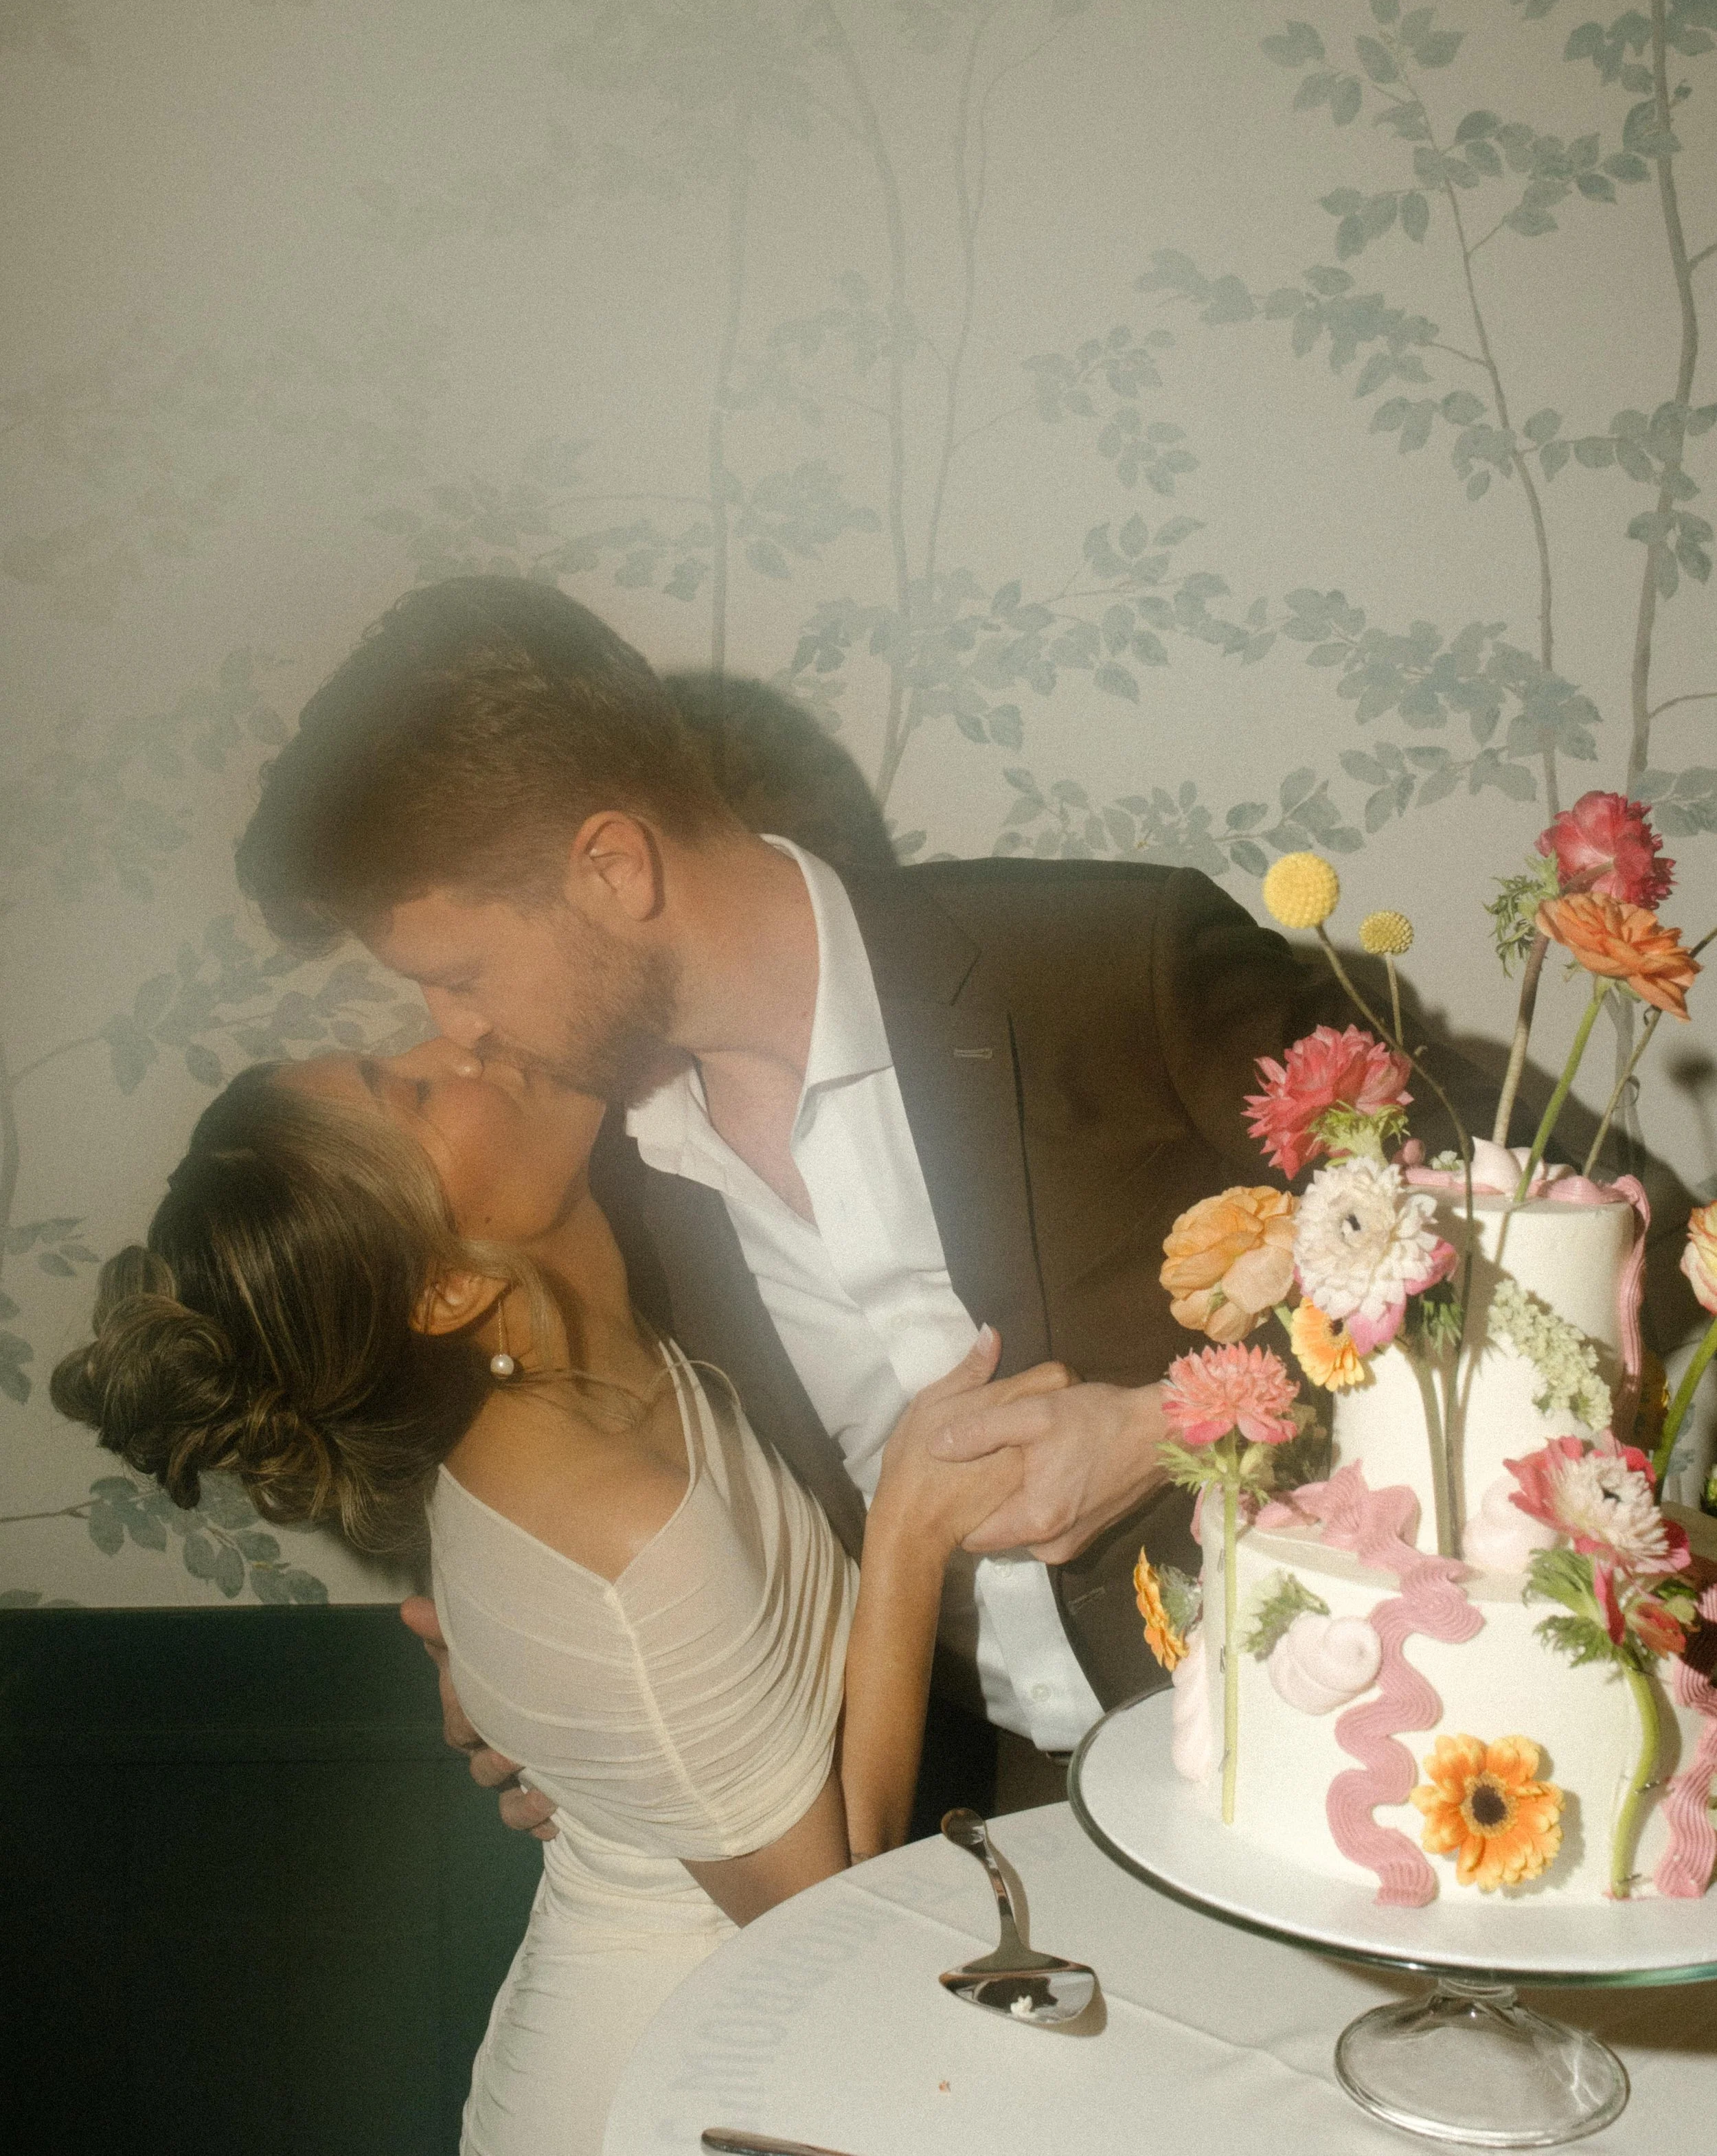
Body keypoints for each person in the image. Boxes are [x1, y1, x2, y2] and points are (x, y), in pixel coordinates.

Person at [231, 575, 1521, 1825]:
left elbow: (1541, 1231)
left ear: (614, 868)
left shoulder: (1111, 967)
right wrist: (536, 1672)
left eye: (458, 973)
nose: (451, 1031)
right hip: (969, 1839)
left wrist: (1156, 1427)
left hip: (1382, 1763)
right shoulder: (598, 1190)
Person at [53, 1039, 1037, 2155]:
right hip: (679, 2095)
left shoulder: (584, 1360)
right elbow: (821, 1905)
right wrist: (914, 1521)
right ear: (447, 1285)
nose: (458, 1042)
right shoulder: (622, 1526)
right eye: (414, 1091)